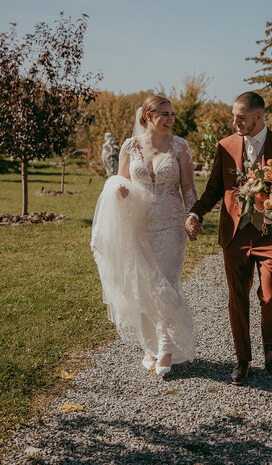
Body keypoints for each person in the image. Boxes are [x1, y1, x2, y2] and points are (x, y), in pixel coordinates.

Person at [186, 92, 272, 385]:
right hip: (235, 234)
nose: (235, 121)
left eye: (241, 117)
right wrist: (195, 214)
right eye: (233, 115)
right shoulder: (225, 146)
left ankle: (270, 345)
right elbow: (213, 189)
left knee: (271, 294)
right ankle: (243, 359)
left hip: (271, 233)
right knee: (237, 299)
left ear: (259, 116)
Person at [91, 95, 197, 376]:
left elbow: (188, 187)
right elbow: (119, 180)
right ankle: (150, 346)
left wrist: (192, 215)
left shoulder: (180, 146)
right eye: (164, 114)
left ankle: (166, 348)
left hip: (171, 223)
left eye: (172, 114)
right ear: (147, 116)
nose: (170, 119)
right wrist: (120, 191)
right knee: (143, 286)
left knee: (166, 284)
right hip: (138, 224)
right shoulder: (129, 146)